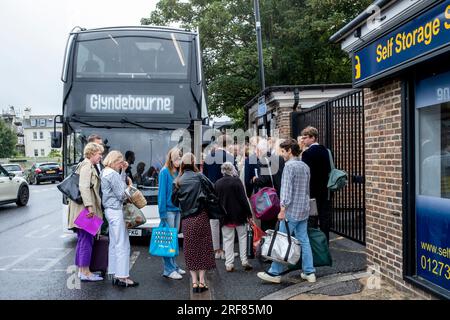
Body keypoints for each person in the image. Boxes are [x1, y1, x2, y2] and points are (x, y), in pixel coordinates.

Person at [257, 139, 316, 284]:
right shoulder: (305, 166)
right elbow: (307, 189)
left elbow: (286, 191)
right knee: (304, 240)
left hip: (291, 211)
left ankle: (274, 272)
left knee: (281, 240)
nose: (282, 155)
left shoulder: (289, 167)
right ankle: (309, 272)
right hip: (303, 209)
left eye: (283, 151)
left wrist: (282, 209)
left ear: (289, 150)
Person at [171, 153, 216, 293]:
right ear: (194, 163)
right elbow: (212, 189)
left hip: (187, 219)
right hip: (201, 216)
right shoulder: (200, 177)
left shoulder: (177, 181)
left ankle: (195, 282)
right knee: (203, 248)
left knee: (190, 249)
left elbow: (173, 201)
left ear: (183, 164)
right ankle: (202, 281)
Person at [101, 150, 138, 287]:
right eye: (120, 162)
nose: (120, 165)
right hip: (116, 211)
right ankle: (123, 277)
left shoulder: (105, 172)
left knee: (114, 243)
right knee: (123, 244)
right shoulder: (113, 174)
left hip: (108, 211)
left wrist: (123, 171)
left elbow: (116, 187)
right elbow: (121, 195)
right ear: (115, 161)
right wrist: (130, 187)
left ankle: (114, 272)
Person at [68, 142, 104, 282]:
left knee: (83, 239)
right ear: (92, 153)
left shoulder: (85, 165)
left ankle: (82, 270)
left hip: (82, 209)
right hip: (86, 210)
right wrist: (90, 207)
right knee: (86, 240)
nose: (101, 156)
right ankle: (85, 272)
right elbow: (84, 187)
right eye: (99, 154)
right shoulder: (87, 166)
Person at [215, 162, 253, 272]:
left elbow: (216, 201)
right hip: (239, 215)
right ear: (232, 170)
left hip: (225, 216)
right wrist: (249, 214)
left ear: (222, 171)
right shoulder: (237, 181)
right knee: (242, 237)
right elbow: (243, 199)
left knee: (227, 240)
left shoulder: (218, 183)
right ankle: (244, 260)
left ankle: (229, 263)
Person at [203, 135, 236, 260]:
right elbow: (234, 176)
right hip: (227, 193)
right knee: (227, 221)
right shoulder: (229, 157)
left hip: (212, 192)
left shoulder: (208, 157)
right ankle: (228, 251)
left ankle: (216, 250)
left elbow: (204, 176)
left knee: (214, 222)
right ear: (227, 144)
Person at [299, 126, 332, 242]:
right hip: (325, 191)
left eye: (305, 138)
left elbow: (305, 175)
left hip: (312, 192)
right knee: (324, 221)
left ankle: (314, 246)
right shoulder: (325, 150)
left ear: (313, 138)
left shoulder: (307, 154)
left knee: (312, 221)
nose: (303, 140)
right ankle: (325, 244)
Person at [157, 148, 186, 280]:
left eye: (180, 159)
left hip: (177, 209)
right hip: (168, 210)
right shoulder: (164, 172)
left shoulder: (178, 172)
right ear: (170, 159)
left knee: (173, 239)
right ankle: (168, 269)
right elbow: (161, 194)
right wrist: (162, 213)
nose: (178, 162)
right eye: (176, 160)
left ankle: (173, 266)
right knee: (168, 240)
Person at [251, 139, 285, 231]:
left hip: (269, 198)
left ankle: (269, 244)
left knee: (268, 225)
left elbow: (264, 180)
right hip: (281, 194)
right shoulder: (280, 158)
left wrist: (255, 179)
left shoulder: (262, 161)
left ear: (260, 150)